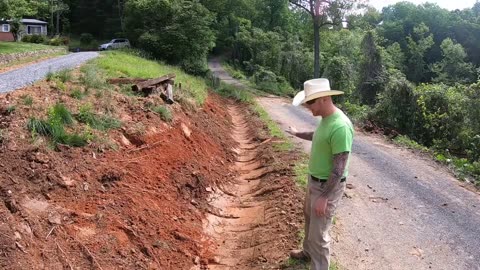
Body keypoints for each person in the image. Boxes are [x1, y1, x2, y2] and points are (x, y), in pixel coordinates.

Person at [286, 78, 354, 270]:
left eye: (311, 103)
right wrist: (297, 133)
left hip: (326, 187)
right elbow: (317, 136)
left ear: (324, 99)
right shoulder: (326, 119)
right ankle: (307, 252)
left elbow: (339, 168)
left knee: (319, 235)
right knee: (309, 217)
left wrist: (324, 196)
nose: (309, 108)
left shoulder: (340, 126)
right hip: (314, 181)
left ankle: (320, 266)